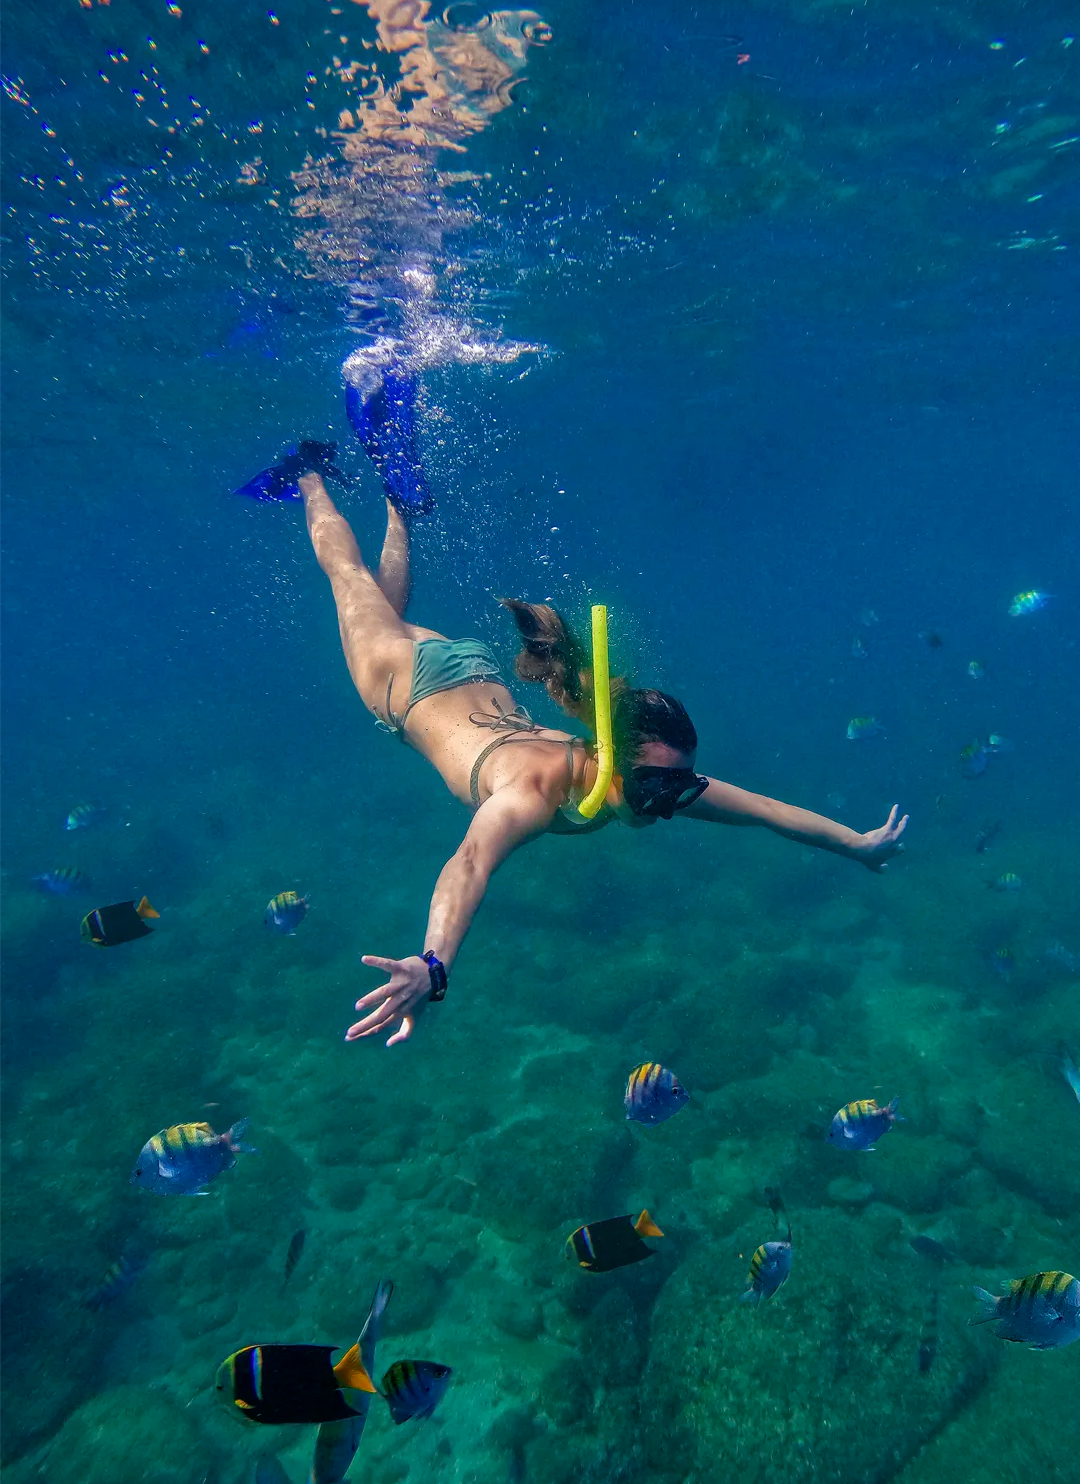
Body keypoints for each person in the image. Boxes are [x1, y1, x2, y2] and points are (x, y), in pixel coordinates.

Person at [237, 367, 908, 1049]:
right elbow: (468, 864)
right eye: (656, 786)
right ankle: (310, 474)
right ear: (614, 754)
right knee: (351, 584)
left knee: (384, 608)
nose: (666, 803)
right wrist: (432, 963)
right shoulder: (531, 794)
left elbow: (766, 813)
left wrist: (857, 845)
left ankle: (398, 498)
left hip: (464, 672)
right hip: (404, 683)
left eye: (676, 787)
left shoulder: (641, 779)